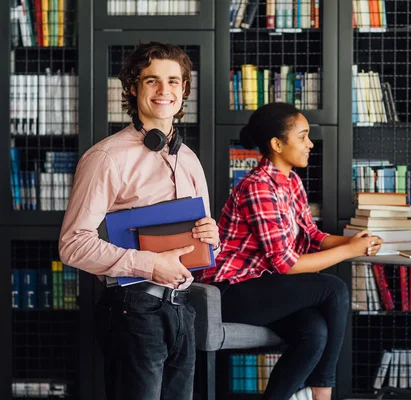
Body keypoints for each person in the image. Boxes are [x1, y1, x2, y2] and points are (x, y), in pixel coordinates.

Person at [59, 42, 219, 400]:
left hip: (182, 307)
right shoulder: (106, 157)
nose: (165, 91)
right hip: (134, 309)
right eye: (152, 81)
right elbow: (72, 244)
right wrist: (150, 265)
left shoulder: (189, 159)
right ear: (133, 88)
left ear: (184, 90)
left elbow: (204, 241)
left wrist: (212, 236)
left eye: (174, 82)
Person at [200, 102, 382, 400]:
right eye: (303, 136)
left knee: (314, 332)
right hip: (229, 292)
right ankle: (323, 393)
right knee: (334, 288)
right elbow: (286, 264)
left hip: (262, 288)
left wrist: (357, 241)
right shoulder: (257, 187)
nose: (310, 144)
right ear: (277, 144)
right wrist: (350, 250)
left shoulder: (291, 182)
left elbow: (311, 235)